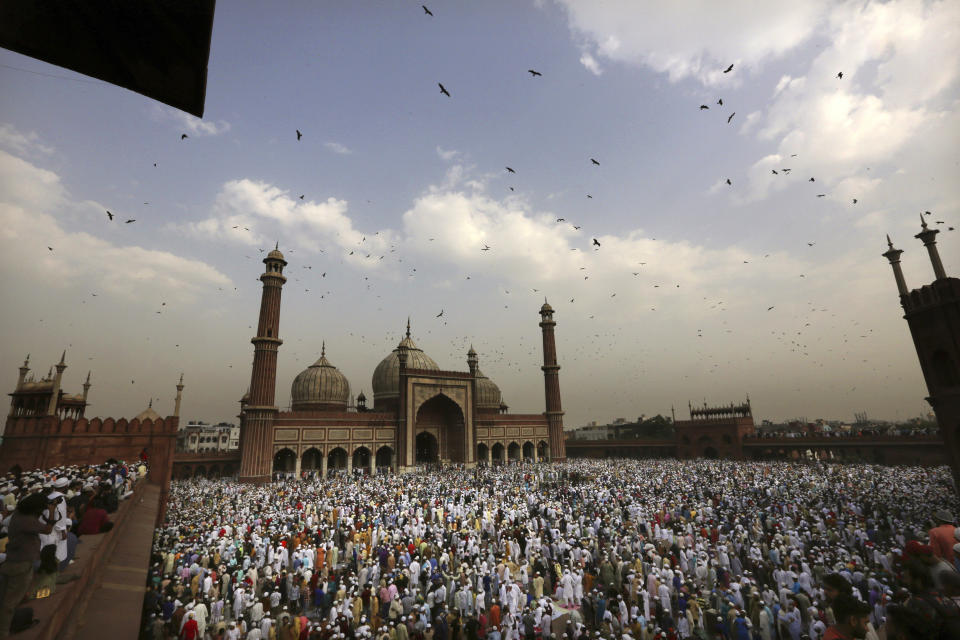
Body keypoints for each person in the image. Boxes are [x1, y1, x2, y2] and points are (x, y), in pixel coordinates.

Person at [0, 493, 55, 638]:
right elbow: (48, 529)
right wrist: (51, 510)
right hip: (21, 565)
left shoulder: (18, 515)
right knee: (9, 604)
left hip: (10, 561)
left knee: (4, 599)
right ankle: (3, 633)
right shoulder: (28, 521)